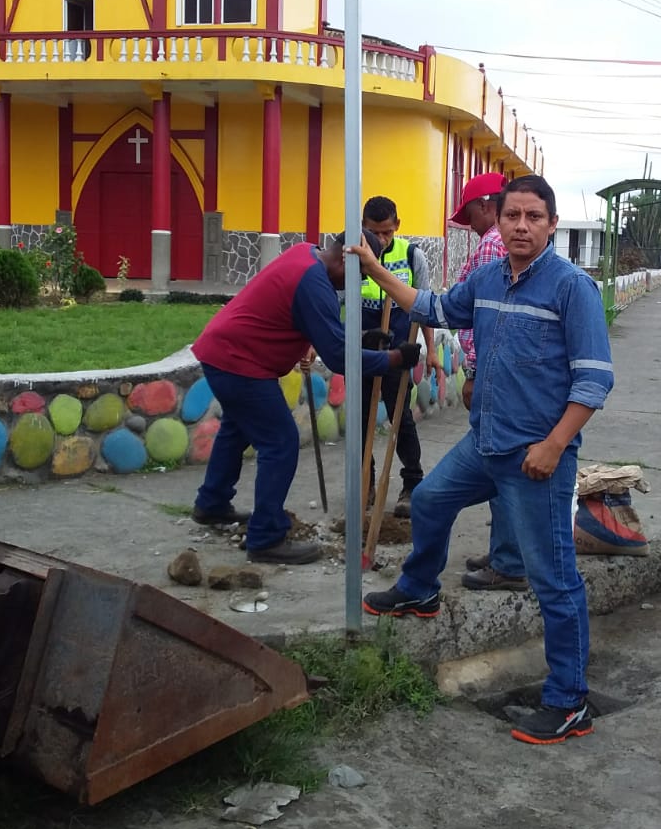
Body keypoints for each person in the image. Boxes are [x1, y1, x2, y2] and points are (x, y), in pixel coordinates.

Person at [351, 176, 614, 745]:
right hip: (485, 442)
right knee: (428, 499)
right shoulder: (488, 278)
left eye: (534, 217)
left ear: (551, 224)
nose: (521, 226)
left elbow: (594, 380)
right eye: (512, 215)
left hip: (535, 458)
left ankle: (569, 701)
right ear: (499, 219)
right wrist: (374, 268)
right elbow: (433, 308)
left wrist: (554, 445)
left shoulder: (573, 289)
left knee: (553, 580)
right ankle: (420, 588)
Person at [190, 232, 421, 565]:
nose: (358, 284)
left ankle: (211, 504)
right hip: (238, 361)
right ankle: (265, 537)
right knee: (280, 441)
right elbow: (339, 357)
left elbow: (323, 330)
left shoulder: (306, 255)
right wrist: (394, 359)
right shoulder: (314, 284)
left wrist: (361, 338)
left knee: (236, 430)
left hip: (225, 351)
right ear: (346, 259)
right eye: (360, 274)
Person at [447, 172, 527, 591]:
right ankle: (504, 551)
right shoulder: (499, 244)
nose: (471, 225)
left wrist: (474, 373)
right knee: (502, 467)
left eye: (471, 215)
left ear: (484, 206)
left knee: (500, 466)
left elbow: (488, 319)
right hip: (503, 376)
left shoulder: (493, 244)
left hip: (492, 377)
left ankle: (510, 561)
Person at [360, 196, 438, 518]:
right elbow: (334, 302)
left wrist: (431, 350)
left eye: (387, 232)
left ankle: (412, 483)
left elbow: (426, 306)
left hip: (399, 352)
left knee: (400, 418)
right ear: (362, 227)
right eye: (374, 232)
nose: (381, 240)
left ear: (397, 226)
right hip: (362, 351)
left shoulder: (411, 255)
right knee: (361, 420)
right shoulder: (353, 253)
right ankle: (365, 483)